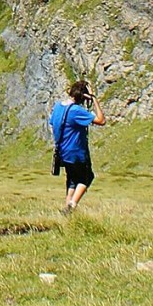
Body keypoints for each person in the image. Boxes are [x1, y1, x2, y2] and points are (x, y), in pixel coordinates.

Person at [49, 80, 106, 215]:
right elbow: (101, 120)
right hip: (77, 151)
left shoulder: (58, 107)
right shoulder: (76, 110)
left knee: (72, 179)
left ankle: (67, 205)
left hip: (63, 151)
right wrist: (94, 98)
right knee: (86, 177)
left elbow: (52, 123)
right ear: (83, 96)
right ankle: (72, 206)